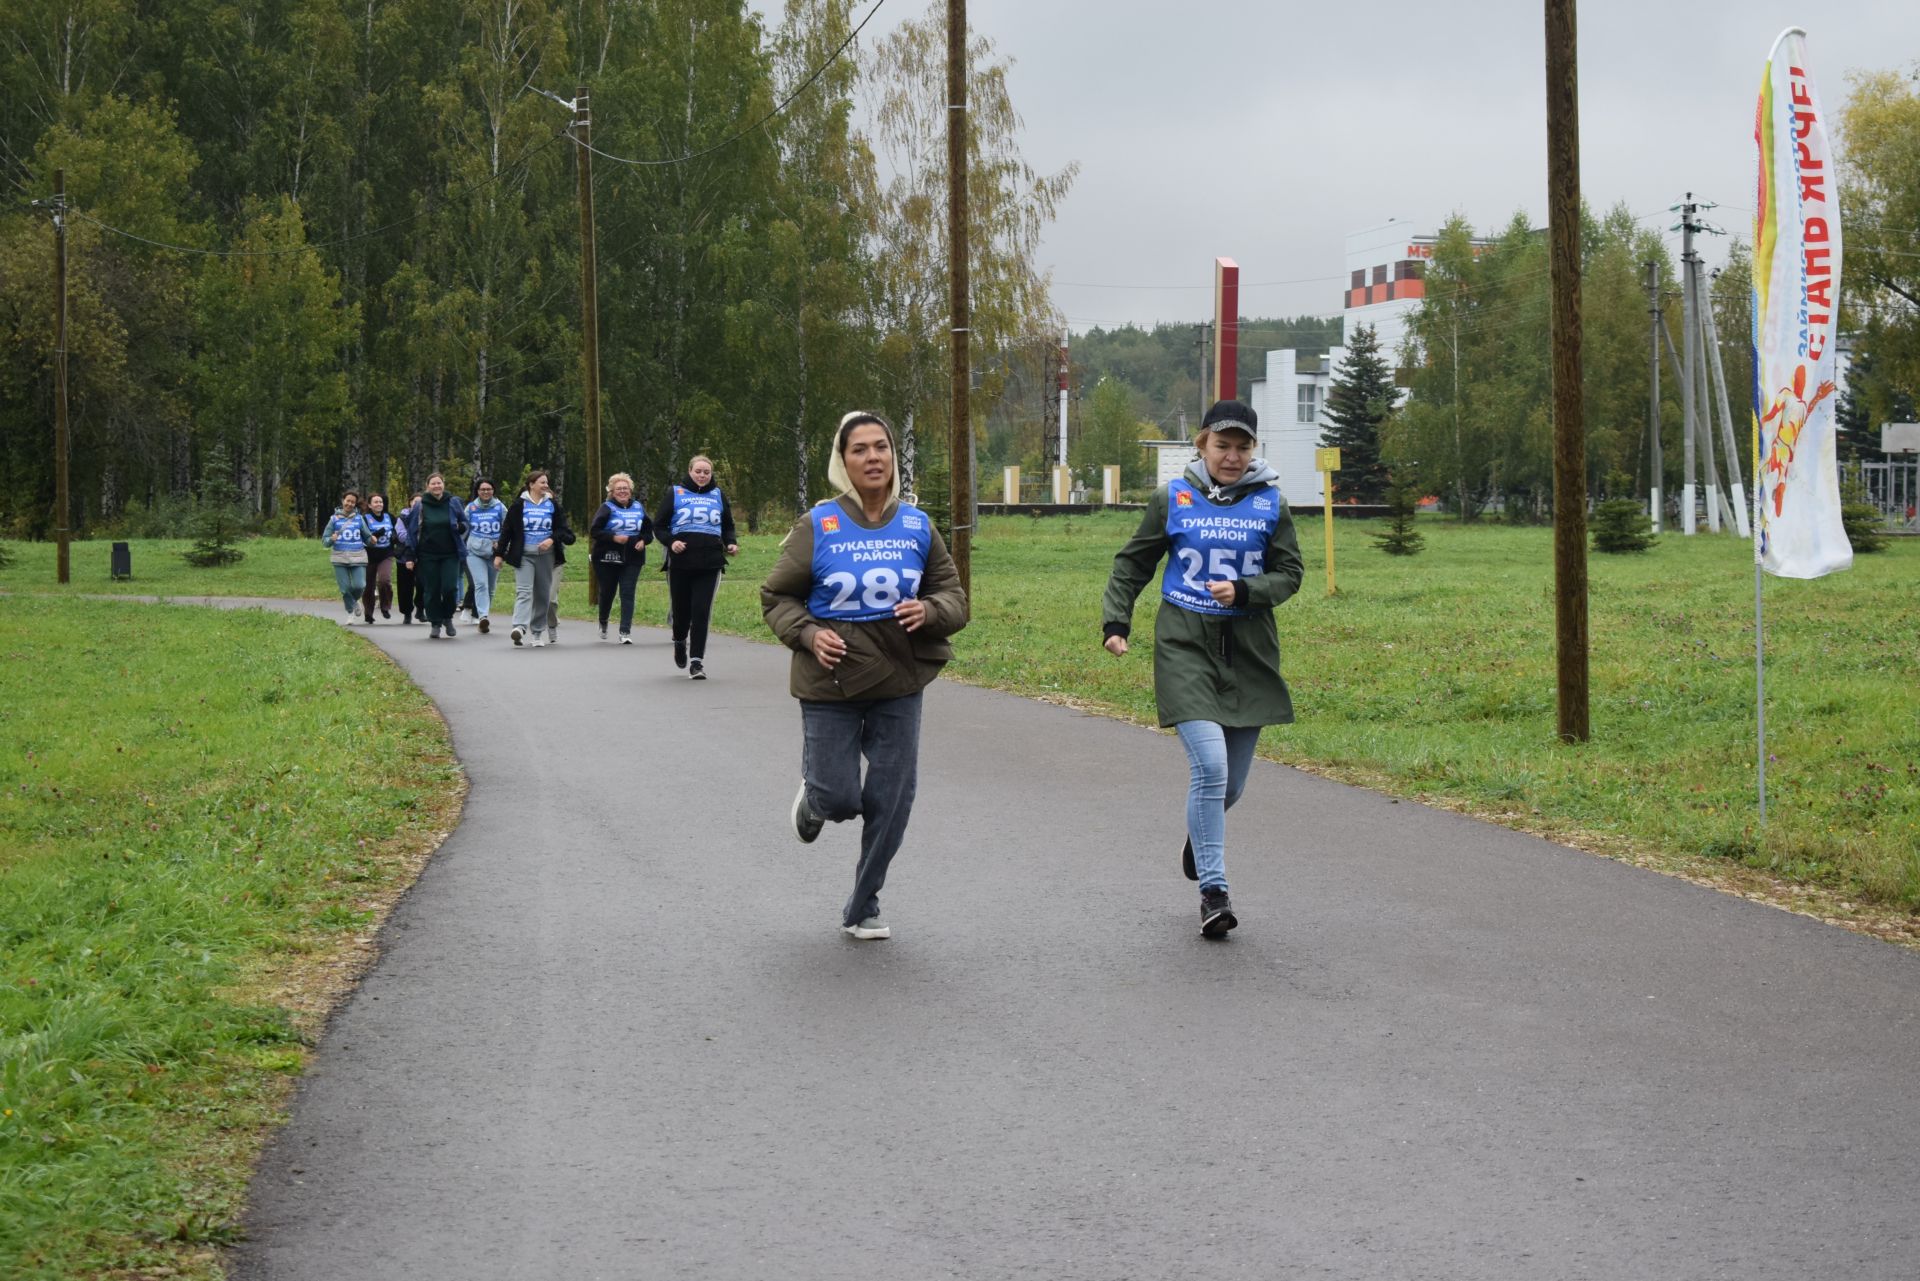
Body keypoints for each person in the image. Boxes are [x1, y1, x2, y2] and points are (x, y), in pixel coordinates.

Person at [761, 411, 969, 941]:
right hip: (831, 679)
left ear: (893, 458)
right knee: (840, 799)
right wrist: (808, 635)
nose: (873, 457)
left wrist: (930, 612)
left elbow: (954, 598)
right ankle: (814, 799)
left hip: (900, 678)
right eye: (860, 449)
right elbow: (776, 596)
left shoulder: (918, 525)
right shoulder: (819, 524)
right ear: (843, 461)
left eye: (882, 447)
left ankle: (864, 904)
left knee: (891, 799)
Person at [1100, 400, 1304, 939]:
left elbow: (1290, 574)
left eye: (1243, 447)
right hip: (1184, 645)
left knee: (1230, 786)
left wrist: (1247, 590)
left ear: (1253, 450)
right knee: (1210, 770)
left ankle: (1200, 835)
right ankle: (1213, 893)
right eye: (1223, 446)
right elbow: (1132, 563)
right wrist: (1116, 622)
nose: (1232, 457)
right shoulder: (1174, 498)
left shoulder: (1271, 503)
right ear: (1203, 445)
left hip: (1250, 651)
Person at [660, 453, 739, 678]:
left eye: (707, 472)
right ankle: (679, 640)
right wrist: (671, 541)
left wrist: (731, 543)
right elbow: (659, 525)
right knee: (681, 611)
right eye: (698, 471)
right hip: (681, 563)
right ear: (690, 471)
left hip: (710, 563)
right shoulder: (675, 493)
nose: (702, 475)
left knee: (701, 611)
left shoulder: (718, 495)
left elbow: (728, 525)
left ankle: (696, 662)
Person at [496, 469, 574, 648]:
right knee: (523, 591)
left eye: (547, 482)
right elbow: (507, 531)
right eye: (542, 482)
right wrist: (499, 554)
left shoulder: (552, 505)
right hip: (524, 555)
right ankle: (519, 627)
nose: (546, 486)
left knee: (542, 594)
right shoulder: (519, 505)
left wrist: (550, 540)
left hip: (546, 556)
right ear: (531, 485)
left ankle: (537, 632)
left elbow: (563, 529)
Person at [399, 473, 470, 639]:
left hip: (450, 553)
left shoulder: (453, 502)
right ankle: (435, 622)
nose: (437, 486)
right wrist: (410, 555)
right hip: (428, 554)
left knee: (450, 588)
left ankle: (448, 617)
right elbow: (412, 531)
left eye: (439, 483)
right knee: (432, 589)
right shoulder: (421, 505)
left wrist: (460, 527)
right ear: (427, 486)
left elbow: (466, 523)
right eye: (433, 484)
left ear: (443, 484)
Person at [589, 472, 652, 644]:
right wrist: (613, 538)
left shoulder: (638, 507)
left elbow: (648, 531)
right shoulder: (607, 507)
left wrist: (643, 540)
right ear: (612, 492)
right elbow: (595, 531)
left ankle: (625, 631)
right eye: (618, 489)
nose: (622, 491)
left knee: (627, 592)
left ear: (631, 491)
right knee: (608, 592)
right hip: (607, 556)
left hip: (633, 556)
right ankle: (603, 621)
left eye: (625, 488)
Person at [464, 478, 507, 634]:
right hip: (474, 551)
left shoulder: (500, 507)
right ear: (477, 491)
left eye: (489, 489)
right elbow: (463, 528)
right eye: (483, 489)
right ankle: (483, 617)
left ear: (493, 490)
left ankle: (484, 613)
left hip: (494, 553)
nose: (486, 492)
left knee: (491, 587)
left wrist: (502, 546)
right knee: (480, 583)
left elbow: (508, 528)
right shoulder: (471, 508)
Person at [321, 490, 370, 625]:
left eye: (352, 502)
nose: (349, 504)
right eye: (347, 501)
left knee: (360, 585)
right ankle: (350, 612)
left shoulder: (359, 519)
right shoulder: (334, 519)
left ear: (355, 504)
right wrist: (331, 539)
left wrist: (372, 540)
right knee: (345, 589)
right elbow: (324, 541)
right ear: (343, 500)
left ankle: (354, 601)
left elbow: (367, 536)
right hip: (339, 557)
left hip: (358, 556)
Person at [361, 492, 396, 623]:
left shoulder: (389, 517)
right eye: (375, 502)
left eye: (380, 502)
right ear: (370, 505)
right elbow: (362, 537)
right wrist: (375, 534)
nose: (379, 504)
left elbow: (397, 530)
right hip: (369, 555)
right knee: (368, 585)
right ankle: (368, 613)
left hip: (385, 554)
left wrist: (394, 535)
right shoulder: (365, 519)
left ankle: (385, 607)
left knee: (384, 580)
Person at [392, 492, 423, 624]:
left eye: (421, 502)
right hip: (404, 556)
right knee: (405, 587)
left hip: (423, 556)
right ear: (410, 502)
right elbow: (402, 535)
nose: (417, 504)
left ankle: (421, 608)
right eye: (415, 501)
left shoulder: (426, 516)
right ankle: (407, 612)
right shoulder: (402, 517)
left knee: (423, 584)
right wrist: (416, 538)